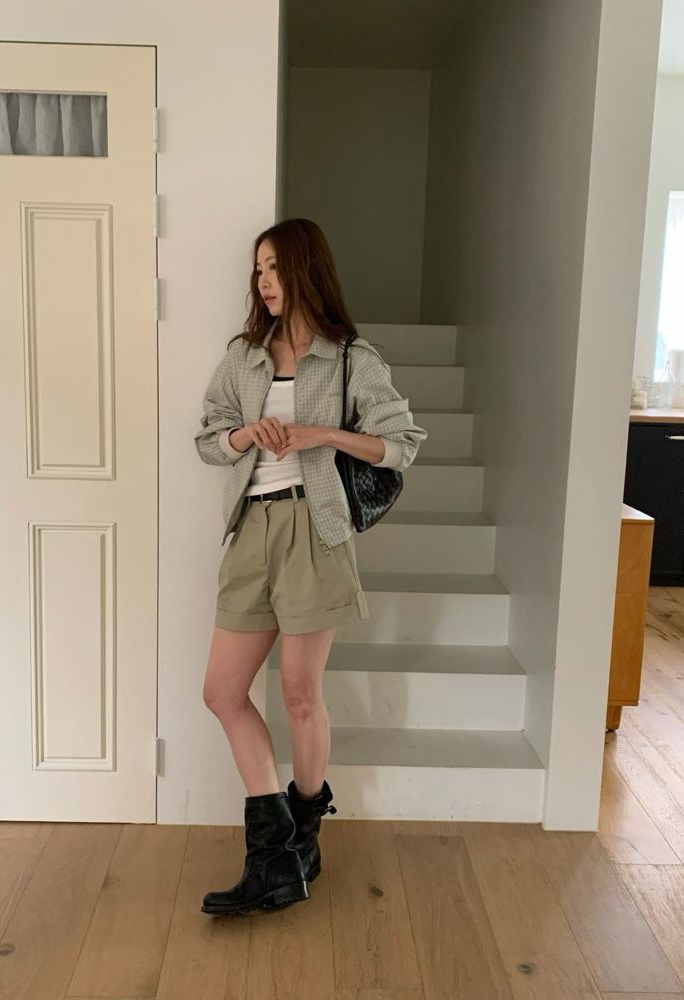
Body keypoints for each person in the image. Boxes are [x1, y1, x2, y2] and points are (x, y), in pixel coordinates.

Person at [193, 218, 428, 916]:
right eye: (258, 269)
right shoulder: (244, 357)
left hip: (315, 530)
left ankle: (302, 841)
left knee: (300, 694)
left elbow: (402, 445)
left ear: (304, 270)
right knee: (222, 691)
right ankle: (274, 855)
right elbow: (208, 440)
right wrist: (246, 433)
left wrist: (323, 433)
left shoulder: (351, 358)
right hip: (250, 532)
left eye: (275, 267)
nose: (264, 280)